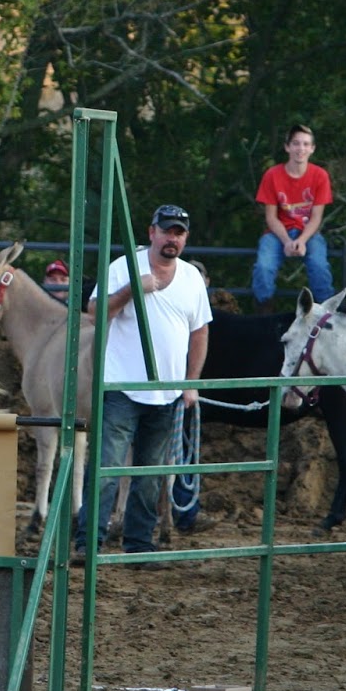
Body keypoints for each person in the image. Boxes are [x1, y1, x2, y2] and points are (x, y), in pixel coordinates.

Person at [78, 204, 212, 565]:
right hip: (121, 387)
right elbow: (95, 312)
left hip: (167, 393)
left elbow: (200, 332)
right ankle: (88, 543)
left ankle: (139, 545)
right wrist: (133, 289)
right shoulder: (123, 267)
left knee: (150, 476)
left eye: (179, 233)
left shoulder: (190, 279)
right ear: (151, 232)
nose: (173, 239)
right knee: (106, 469)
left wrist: (190, 383)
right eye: (167, 231)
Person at [250, 124, 335, 311]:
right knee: (263, 268)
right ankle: (264, 316)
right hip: (278, 232)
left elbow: (316, 217)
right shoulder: (272, 175)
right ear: (287, 147)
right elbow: (271, 217)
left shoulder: (320, 176)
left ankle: (326, 316)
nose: (301, 149)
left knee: (320, 267)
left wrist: (302, 240)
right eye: (296, 144)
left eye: (306, 144)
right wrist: (288, 241)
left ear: (312, 149)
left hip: (309, 232)